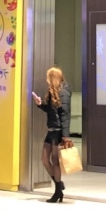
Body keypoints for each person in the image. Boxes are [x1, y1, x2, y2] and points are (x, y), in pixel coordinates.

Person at [33, 66, 72, 203]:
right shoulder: (52, 91)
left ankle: (57, 191)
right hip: (51, 129)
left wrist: (65, 135)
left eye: (48, 78)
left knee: (55, 161)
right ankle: (58, 185)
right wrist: (40, 104)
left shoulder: (64, 92)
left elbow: (65, 115)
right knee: (45, 159)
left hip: (59, 131)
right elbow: (51, 111)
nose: (46, 80)